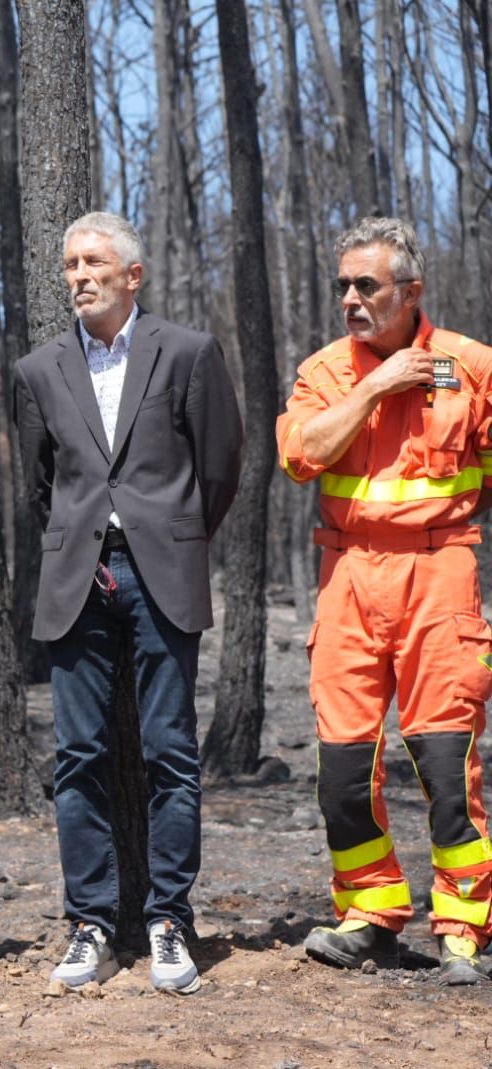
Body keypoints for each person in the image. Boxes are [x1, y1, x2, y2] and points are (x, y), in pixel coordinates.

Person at [12, 212, 242, 993]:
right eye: (70, 263)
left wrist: (166, 540)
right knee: (77, 756)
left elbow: (219, 467)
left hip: (161, 576)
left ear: (132, 275)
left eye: (93, 263)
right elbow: (41, 484)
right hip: (77, 577)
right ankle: (90, 924)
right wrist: (89, 539)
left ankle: (169, 918)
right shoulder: (38, 370)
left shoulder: (186, 353)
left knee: (170, 753)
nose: (78, 275)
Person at [278, 217, 492, 985]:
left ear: (410, 291)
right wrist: (377, 384)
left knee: (445, 758)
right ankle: (371, 910)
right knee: (342, 765)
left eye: (365, 285)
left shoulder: (471, 366)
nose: (350, 299)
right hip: (348, 576)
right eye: (343, 285)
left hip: (440, 573)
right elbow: (301, 456)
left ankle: (464, 922)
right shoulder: (327, 372)